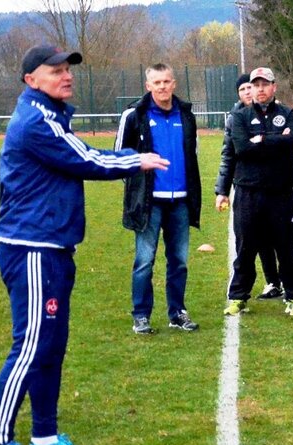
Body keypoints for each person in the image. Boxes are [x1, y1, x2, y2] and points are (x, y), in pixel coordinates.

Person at [0, 44, 169, 445]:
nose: (66, 76)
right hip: (31, 247)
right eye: (55, 71)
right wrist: (133, 160)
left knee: (51, 345)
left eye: (67, 70)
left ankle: (45, 438)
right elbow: (86, 159)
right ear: (31, 80)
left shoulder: (51, 116)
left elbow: (77, 152)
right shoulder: (35, 121)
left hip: (54, 247)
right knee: (30, 346)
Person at [115, 63, 201, 335]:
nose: (162, 87)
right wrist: (137, 188)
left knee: (179, 261)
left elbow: (192, 155)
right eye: (157, 82)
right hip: (149, 202)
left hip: (180, 202)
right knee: (144, 261)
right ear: (148, 85)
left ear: (174, 84)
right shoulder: (135, 116)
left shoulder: (186, 115)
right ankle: (141, 315)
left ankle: (177, 313)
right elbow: (121, 157)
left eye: (166, 81)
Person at [218, 67, 293, 318]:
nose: (260, 89)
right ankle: (238, 297)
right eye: (255, 84)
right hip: (248, 192)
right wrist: (276, 140)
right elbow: (243, 149)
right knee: (245, 248)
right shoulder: (240, 117)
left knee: (285, 248)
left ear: (274, 87)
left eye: (264, 84)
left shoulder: (288, 113)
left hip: (280, 192)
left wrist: (262, 140)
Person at [217, 74, 284, 301]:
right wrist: (222, 190)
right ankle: (246, 288)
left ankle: (281, 281)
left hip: (276, 187)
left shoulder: (280, 114)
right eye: (244, 88)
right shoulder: (236, 118)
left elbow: (288, 147)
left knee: (281, 240)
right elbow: (231, 154)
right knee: (248, 239)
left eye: (251, 86)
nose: (248, 91)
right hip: (246, 186)